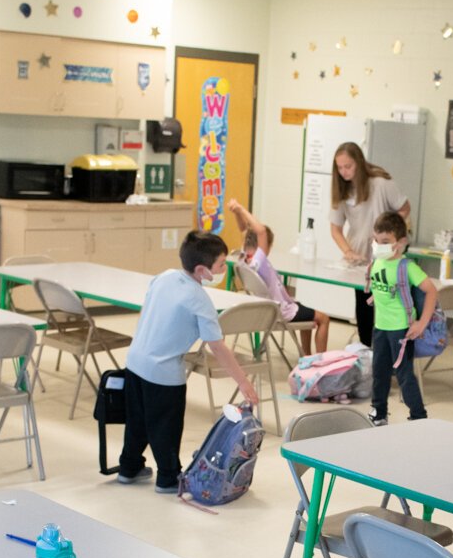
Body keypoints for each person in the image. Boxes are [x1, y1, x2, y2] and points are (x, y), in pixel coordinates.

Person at [117, 230, 260, 493]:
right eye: (219, 265)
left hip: (136, 361)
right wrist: (243, 382)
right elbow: (217, 346)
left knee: (137, 421)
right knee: (166, 427)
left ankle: (129, 467)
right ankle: (168, 477)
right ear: (201, 270)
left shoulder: (165, 277)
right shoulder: (199, 299)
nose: (222, 269)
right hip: (164, 373)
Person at [330, 142, 410, 345]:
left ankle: (390, 349)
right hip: (360, 257)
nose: (344, 172)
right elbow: (336, 229)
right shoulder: (341, 189)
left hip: (385, 255)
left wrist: (388, 234)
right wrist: (347, 251)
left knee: (386, 303)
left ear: (359, 162)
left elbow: (404, 208)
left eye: (348, 166)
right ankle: (366, 350)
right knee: (364, 304)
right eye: (339, 168)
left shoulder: (381, 184)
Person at [226, 198, 329, 354]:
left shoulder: (243, 259)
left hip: (266, 309)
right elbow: (260, 231)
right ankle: (322, 361)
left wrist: (237, 213)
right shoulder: (259, 261)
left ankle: (307, 357)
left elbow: (243, 230)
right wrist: (240, 208)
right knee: (323, 319)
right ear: (267, 245)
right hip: (281, 312)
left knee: (307, 313)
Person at [367, 211, 437, 426]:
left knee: (404, 375)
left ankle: (418, 416)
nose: (379, 246)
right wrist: (375, 297)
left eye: (385, 242)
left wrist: (421, 323)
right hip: (380, 327)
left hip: (401, 330)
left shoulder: (408, 267)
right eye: (376, 241)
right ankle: (379, 413)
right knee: (379, 372)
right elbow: (386, 288)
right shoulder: (378, 262)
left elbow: (432, 291)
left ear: (401, 242)